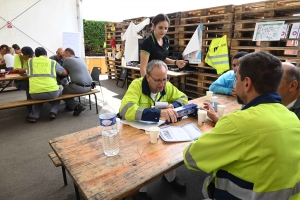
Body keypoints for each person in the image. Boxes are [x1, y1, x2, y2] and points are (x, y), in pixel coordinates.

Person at [183, 51, 300, 199]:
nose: (234, 83)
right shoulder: (293, 120)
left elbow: (191, 158)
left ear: (247, 83)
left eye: (236, 78)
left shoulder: (238, 122)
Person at [119, 60, 188, 200]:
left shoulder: (166, 85)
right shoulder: (136, 85)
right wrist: (158, 113)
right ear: (147, 77)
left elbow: (184, 98)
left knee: (169, 148)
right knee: (142, 155)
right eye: (158, 80)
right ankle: (140, 190)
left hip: (157, 128)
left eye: (165, 79)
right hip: (134, 130)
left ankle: (170, 178)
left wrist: (172, 106)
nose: (162, 84)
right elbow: (125, 110)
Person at [18, 47, 68, 122]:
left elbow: (23, 70)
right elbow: (64, 73)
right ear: (46, 54)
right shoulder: (52, 62)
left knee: (39, 96)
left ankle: (34, 116)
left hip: (34, 94)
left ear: (35, 55)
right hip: (52, 93)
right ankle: (53, 112)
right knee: (59, 91)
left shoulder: (30, 61)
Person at [61, 48, 91, 115]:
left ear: (68, 53)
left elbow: (61, 72)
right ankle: (69, 106)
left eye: (63, 55)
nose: (63, 57)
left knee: (60, 92)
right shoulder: (80, 59)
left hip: (79, 87)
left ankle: (76, 105)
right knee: (69, 87)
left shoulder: (67, 60)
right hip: (89, 86)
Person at [13, 46, 34, 112]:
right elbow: (17, 70)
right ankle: (30, 106)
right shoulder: (18, 57)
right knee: (29, 85)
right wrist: (29, 68)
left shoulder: (34, 57)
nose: (30, 57)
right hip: (19, 81)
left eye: (31, 55)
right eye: (28, 56)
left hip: (31, 79)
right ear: (24, 55)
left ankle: (37, 104)